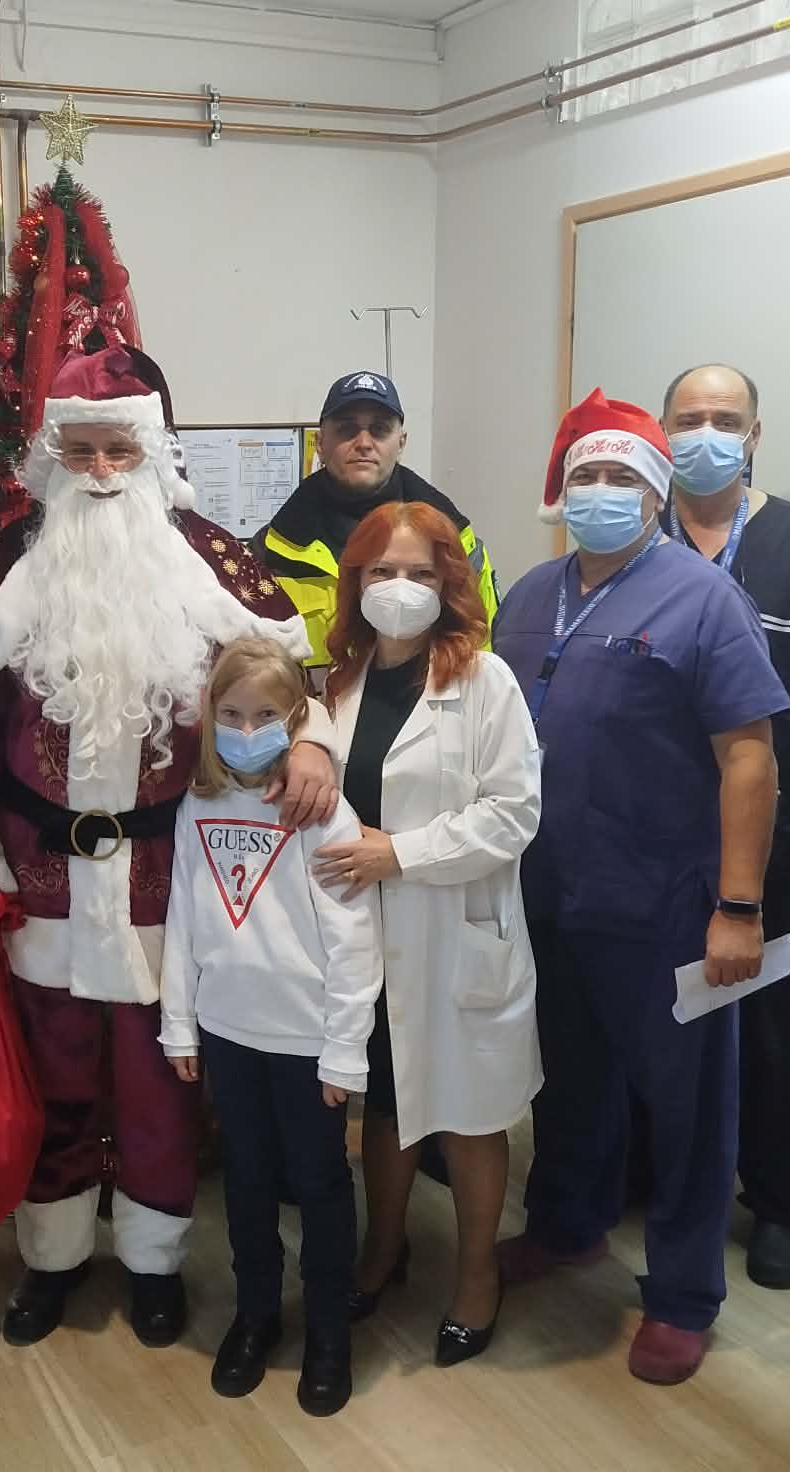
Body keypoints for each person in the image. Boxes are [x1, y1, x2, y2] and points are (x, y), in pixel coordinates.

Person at [0, 344, 338, 1349]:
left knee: (160, 1082)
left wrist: (313, 740)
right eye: (83, 453)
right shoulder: (12, 567)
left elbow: (285, 682)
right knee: (55, 1070)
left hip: (166, 872)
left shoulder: (209, 559)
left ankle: (153, 1261)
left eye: (120, 451)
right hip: (40, 874)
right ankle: (53, 1256)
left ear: (153, 454)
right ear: (53, 458)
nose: (102, 473)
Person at [490, 389, 788, 1386]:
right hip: (547, 894)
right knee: (568, 1076)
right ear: (560, 490)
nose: (602, 492)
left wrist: (738, 907)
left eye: (623, 477)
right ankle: (567, 1225)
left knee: (688, 1105)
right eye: (587, 475)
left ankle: (683, 1295)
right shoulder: (528, 595)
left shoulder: (703, 598)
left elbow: (749, 758)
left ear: (656, 495)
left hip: (666, 903)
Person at [662, 362, 790, 1289]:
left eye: (726, 419)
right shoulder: (639, 531)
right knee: (660, 1015)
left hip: (777, 834)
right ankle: (656, 1176)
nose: (706, 435)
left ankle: (781, 1204)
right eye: (688, 419)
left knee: (772, 1029)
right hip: (660, 833)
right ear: (662, 432)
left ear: (754, 436)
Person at [318, 501, 543, 1367]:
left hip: (457, 932)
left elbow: (514, 814)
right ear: (356, 583)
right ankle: (385, 1248)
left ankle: (477, 1274)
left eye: (419, 573)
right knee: (385, 1100)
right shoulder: (338, 683)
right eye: (382, 572)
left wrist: (400, 854)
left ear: (449, 584)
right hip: (363, 939)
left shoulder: (486, 680)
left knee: (469, 1111)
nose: (400, 589)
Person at [159, 636, 380, 1417]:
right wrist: (180, 1027)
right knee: (247, 1182)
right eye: (230, 714)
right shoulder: (198, 805)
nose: (246, 729)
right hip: (229, 1033)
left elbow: (355, 940)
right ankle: (255, 1316)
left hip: (306, 1041)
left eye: (264, 716)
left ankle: (327, 1331)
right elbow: (184, 917)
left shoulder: (323, 813)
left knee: (320, 1184)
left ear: (296, 722)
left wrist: (344, 1052)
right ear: (209, 718)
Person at [259, 370, 500, 668]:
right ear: (320, 442)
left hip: (430, 696)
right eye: (347, 429)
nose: (363, 442)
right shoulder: (270, 554)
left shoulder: (458, 545)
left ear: (401, 442)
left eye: (379, 429)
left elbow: (482, 652)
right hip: (313, 699)